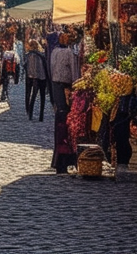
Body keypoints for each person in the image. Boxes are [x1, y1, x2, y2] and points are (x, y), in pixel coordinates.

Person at [49, 32, 81, 173]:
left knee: (60, 116)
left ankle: (61, 154)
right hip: (66, 86)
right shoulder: (68, 53)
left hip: (56, 85)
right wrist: (76, 85)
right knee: (66, 118)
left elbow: (51, 68)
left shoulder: (54, 51)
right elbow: (74, 71)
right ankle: (67, 152)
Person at [24, 38, 50, 121]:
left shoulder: (28, 55)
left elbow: (25, 66)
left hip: (32, 77)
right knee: (42, 97)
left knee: (32, 96)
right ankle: (41, 116)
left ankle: (30, 113)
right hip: (42, 77)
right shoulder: (41, 55)